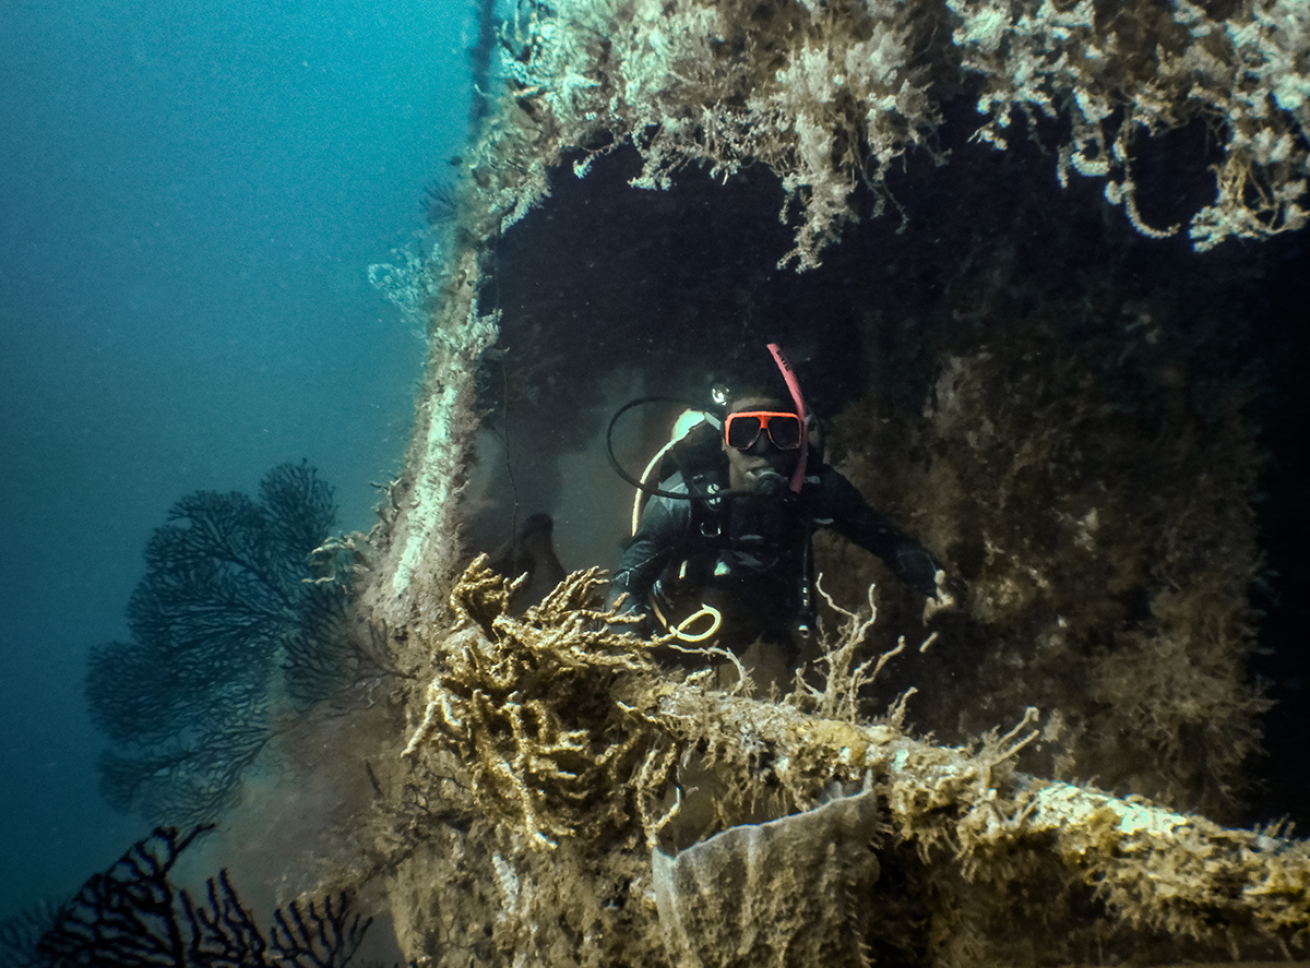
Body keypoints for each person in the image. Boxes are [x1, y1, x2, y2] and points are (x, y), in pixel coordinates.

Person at [608, 344, 955, 669]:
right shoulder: (682, 501)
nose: (762, 449)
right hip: (682, 622)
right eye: (744, 432)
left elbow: (888, 542)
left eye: (782, 432)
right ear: (724, 443)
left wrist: (936, 585)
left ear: (799, 441)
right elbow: (625, 588)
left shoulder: (819, 491)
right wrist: (634, 659)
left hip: (764, 615)